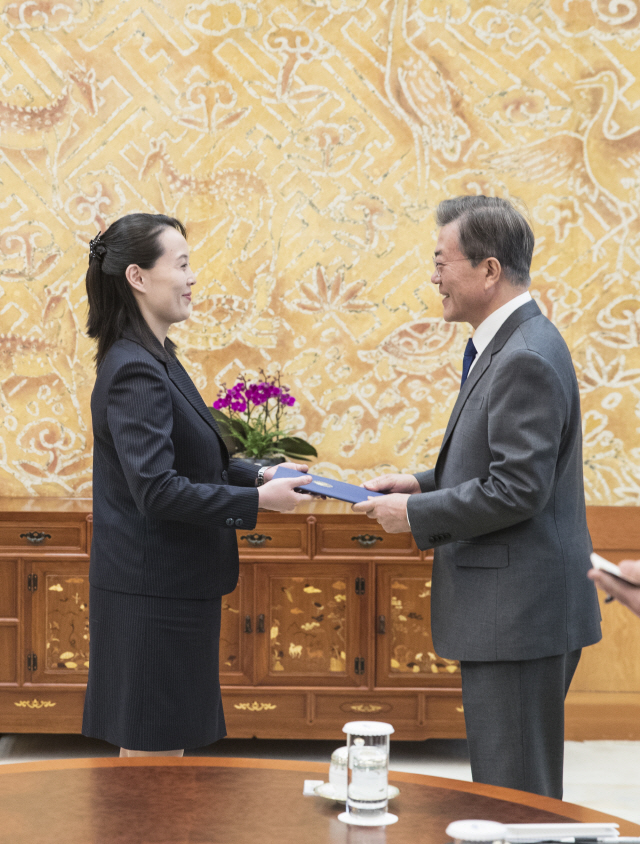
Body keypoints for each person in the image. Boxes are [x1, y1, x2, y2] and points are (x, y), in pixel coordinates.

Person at [353, 196, 602, 799]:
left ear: (489, 270)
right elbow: (499, 466)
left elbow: (517, 489)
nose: (433, 276)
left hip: (518, 614)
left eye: (442, 261)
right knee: (510, 789)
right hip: (515, 611)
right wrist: (420, 483)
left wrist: (413, 514)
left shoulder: (525, 356)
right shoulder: (512, 343)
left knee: (516, 797)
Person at [82, 213, 311, 757]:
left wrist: (261, 472)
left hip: (172, 592)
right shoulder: (136, 369)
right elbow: (157, 490)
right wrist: (257, 501)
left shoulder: (158, 357)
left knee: (162, 760)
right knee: (152, 766)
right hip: (152, 597)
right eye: (181, 265)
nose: (192, 278)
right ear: (137, 277)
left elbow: (192, 459)